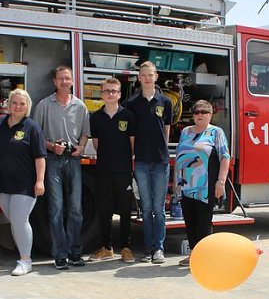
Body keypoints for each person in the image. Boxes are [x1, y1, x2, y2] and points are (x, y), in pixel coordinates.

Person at [34, 65, 90, 270]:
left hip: (73, 160)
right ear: (54, 82)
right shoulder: (44, 105)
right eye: (61, 78)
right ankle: (60, 255)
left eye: (67, 78)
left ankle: (75, 252)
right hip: (52, 160)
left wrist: (81, 147)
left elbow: (85, 133)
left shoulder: (80, 106)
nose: (64, 82)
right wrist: (52, 146)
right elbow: (36, 135)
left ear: (73, 81)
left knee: (76, 209)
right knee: (56, 208)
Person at [0, 89, 46, 276]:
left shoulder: (32, 128)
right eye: (15, 103)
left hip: (24, 184)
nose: (18, 107)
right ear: (8, 104)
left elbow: (40, 157)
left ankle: (26, 260)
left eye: (22, 104)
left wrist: (40, 181)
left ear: (28, 106)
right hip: (2, 182)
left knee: (20, 221)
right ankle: (22, 255)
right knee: (14, 221)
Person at [125, 60, 172, 264]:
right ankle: (148, 249)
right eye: (143, 75)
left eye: (150, 74)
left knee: (159, 209)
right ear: (138, 77)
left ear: (156, 77)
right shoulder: (131, 103)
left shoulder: (165, 102)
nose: (146, 78)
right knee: (146, 208)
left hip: (161, 161)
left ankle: (159, 249)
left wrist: (163, 151)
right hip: (142, 161)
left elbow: (166, 130)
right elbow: (131, 134)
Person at [174, 100, 230, 267]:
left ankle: (204, 257)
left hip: (205, 185)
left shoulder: (216, 132)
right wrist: (176, 181)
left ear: (210, 114)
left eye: (204, 112)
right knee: (189, 221)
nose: (199, 115)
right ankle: (193, 254)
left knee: (204, 222)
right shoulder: (185, 132)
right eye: (196, 112)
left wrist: (221, 181)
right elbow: (180, 157)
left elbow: (225, 157)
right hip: (186, 184)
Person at [89, 77, 136, 263]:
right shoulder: (95, 117)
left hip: (123, 170)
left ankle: (126, 248)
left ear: (119, 94)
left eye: (114, 91)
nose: (110, 94)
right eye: (107, 91)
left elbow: (132, 144)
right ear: (102, 94)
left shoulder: (128, 116)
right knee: (104, 210)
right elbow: (96, 144)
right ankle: (107, 248)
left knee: (125, 210)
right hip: (103, 170)